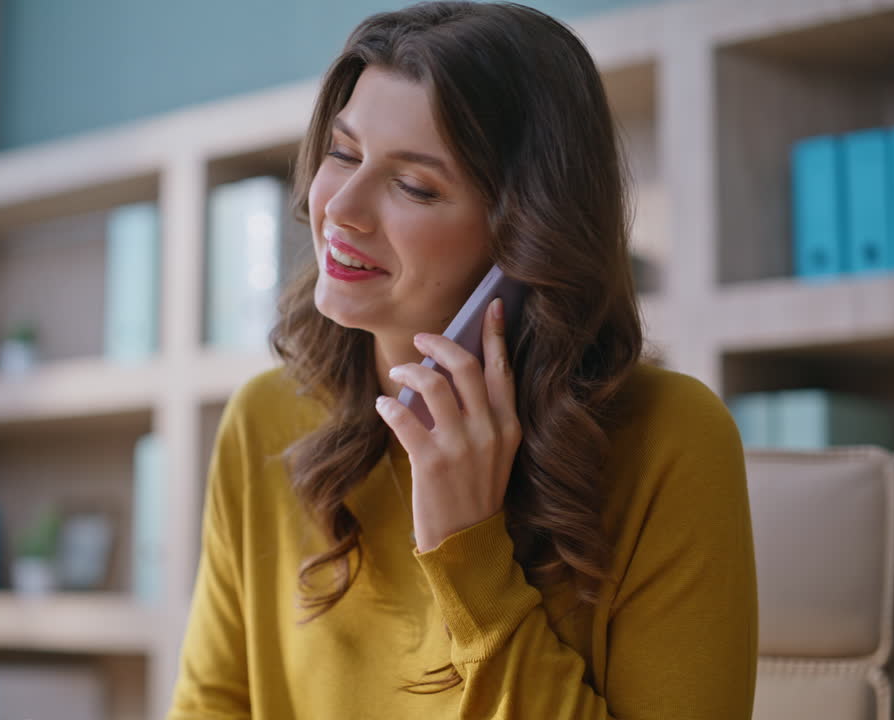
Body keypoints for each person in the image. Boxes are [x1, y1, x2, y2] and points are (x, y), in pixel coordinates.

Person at [169, 2, 757, 718]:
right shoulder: (263, 420)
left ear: (526, 235)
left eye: (414, 185)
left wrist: (469, 555)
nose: (341, 209)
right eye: (343, 152)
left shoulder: (673, 441)